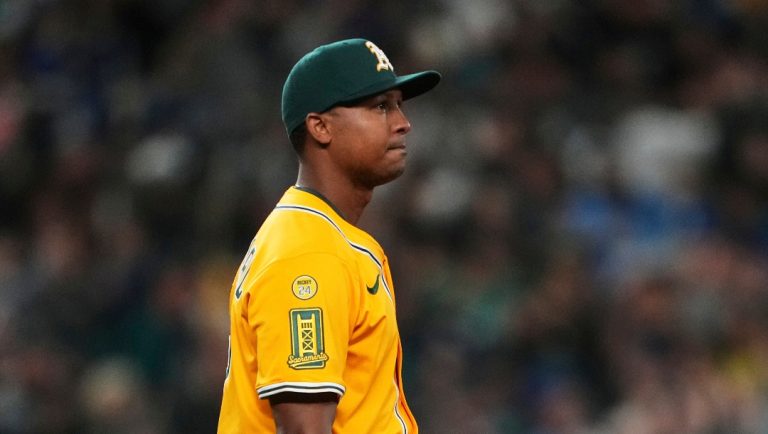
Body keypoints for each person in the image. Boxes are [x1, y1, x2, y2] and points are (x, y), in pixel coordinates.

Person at [217, 38, 440, 433]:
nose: (403, 122)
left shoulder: (324, 237)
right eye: (380, 106)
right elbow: (305, 428)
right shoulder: (308, 252)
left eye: (399, 105)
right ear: (320, 127)